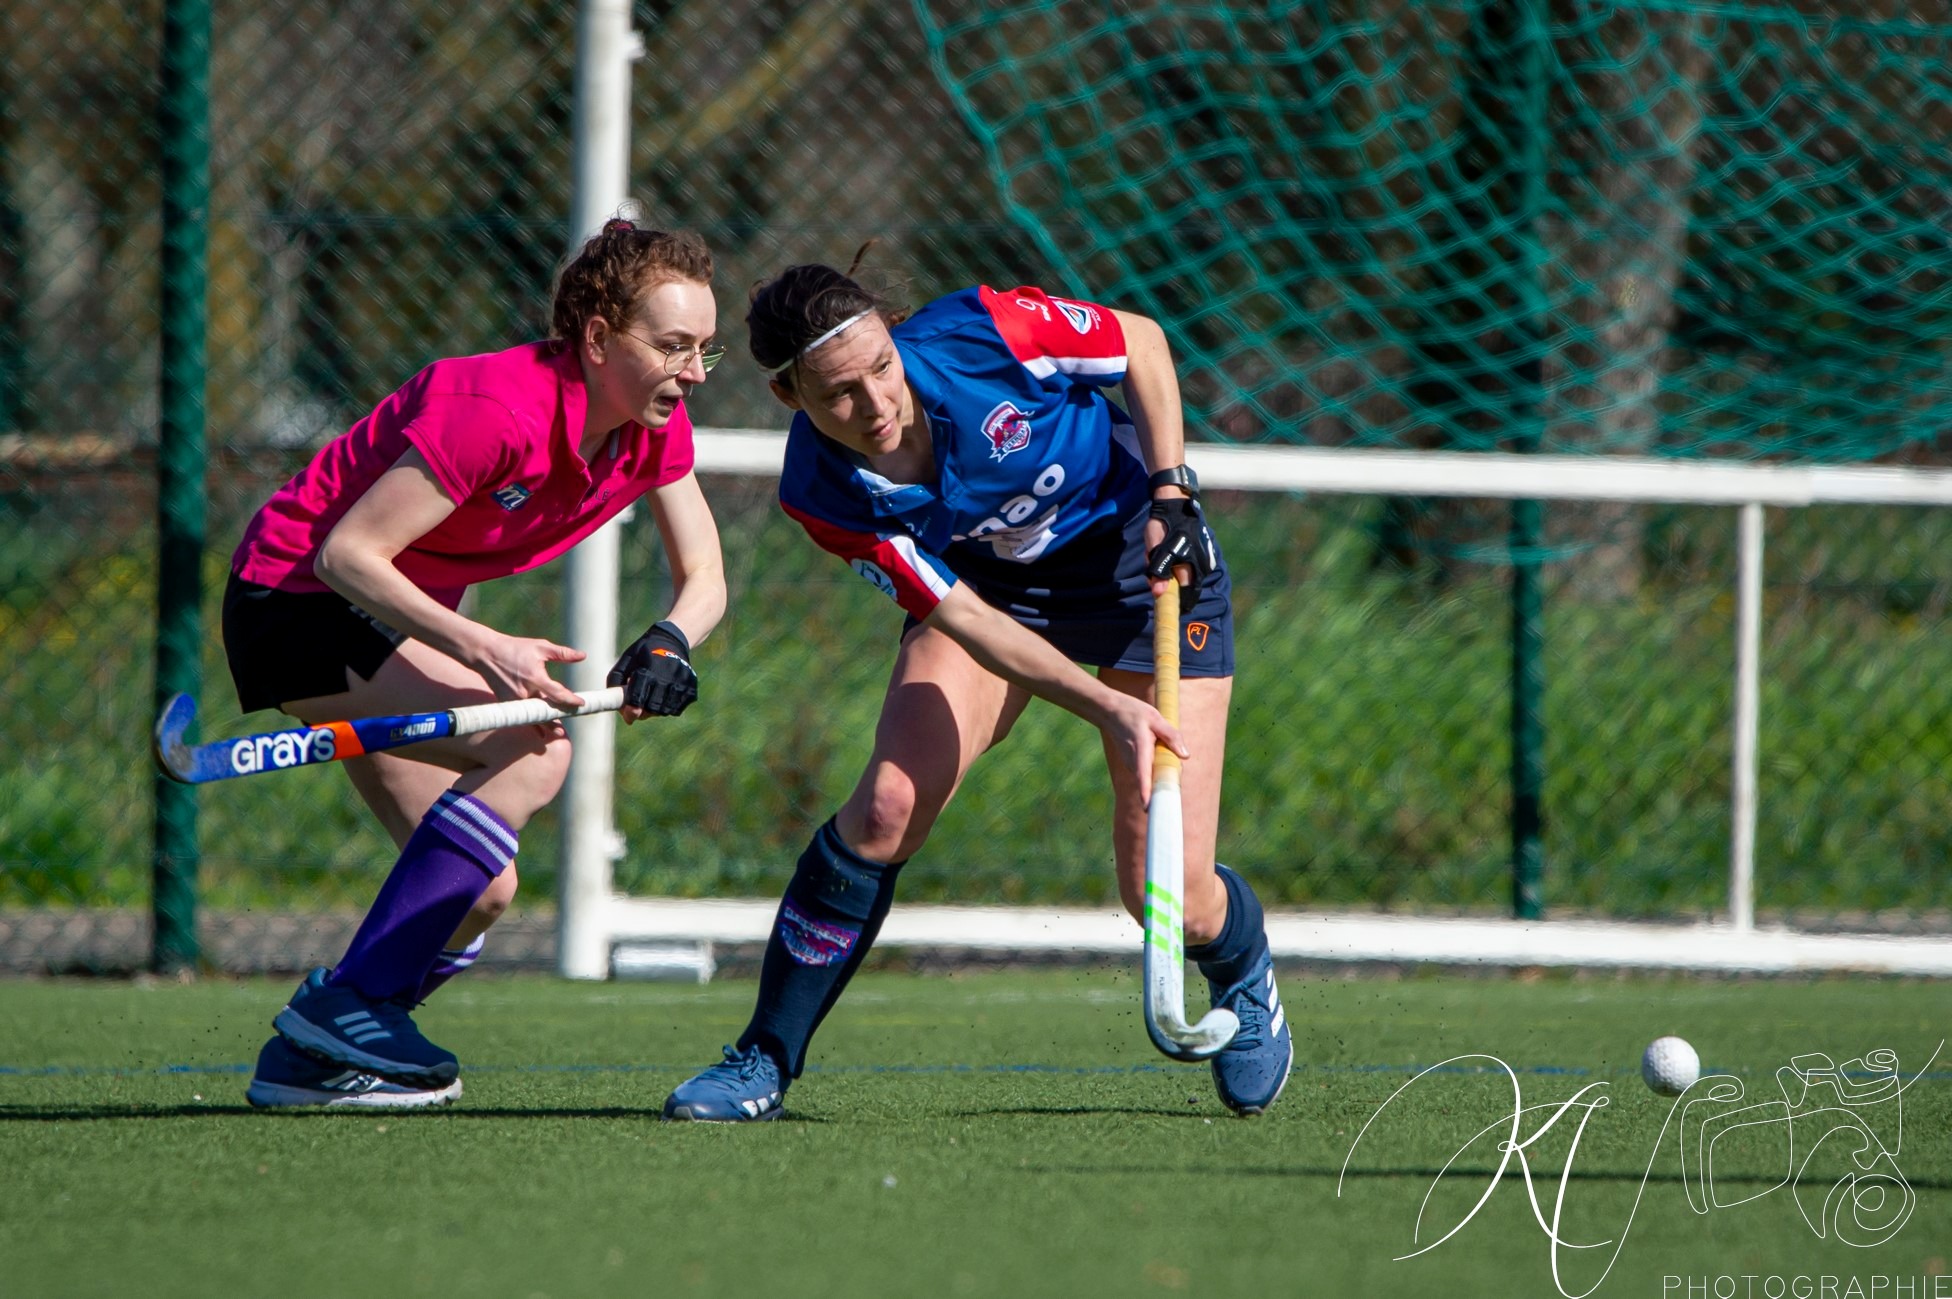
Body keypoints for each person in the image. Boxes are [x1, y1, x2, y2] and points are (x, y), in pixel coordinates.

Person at [661, 261, 1290, 1122]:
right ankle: (762, 1056)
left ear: (895, 336)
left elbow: (1141, 341)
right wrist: (1104, 704)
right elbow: (964, 617)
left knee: (1169, 896)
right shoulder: (824, 493)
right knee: (885, 806)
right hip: (990, 597)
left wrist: (1171, 488)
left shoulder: (991, 333)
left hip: (1142, 572)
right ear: (787, 396)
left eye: (881, 367)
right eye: (839, 393)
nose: (876, 404)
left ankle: (1241, 970)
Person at [226, 219, 727, 1109]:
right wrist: (483, 644)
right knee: (535, 747)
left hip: (384, 620)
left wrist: (670, 640)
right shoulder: (498, 408)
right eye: (673, 346)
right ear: (598, 337)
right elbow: (347, 556)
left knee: (480, 891)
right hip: (296, 600)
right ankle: (350, 1003)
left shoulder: (653, 427)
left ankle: (307, 1059)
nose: (693, 372)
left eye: (704, 350)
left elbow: (706, 577)